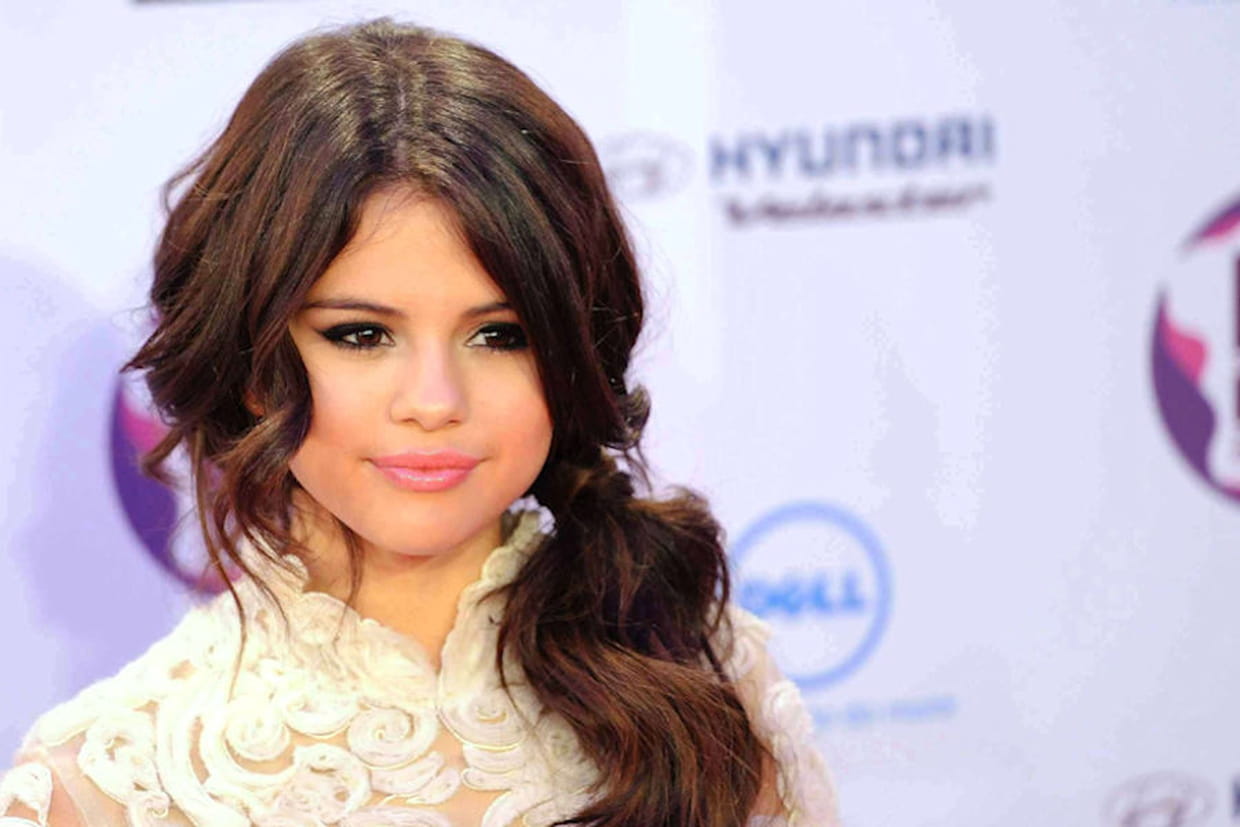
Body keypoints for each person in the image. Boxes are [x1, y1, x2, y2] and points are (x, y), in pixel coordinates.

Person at [0, 18, 837, 827]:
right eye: (362, 335)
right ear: (252, 361)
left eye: (499, 335)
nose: (435, 400)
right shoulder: (105, 785)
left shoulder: (703, 675)